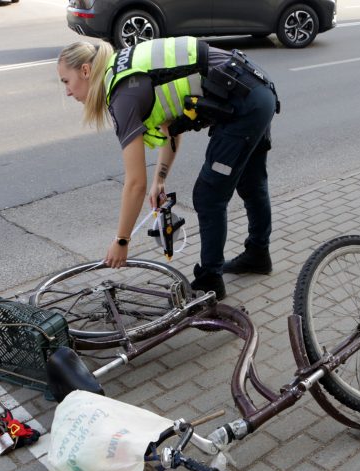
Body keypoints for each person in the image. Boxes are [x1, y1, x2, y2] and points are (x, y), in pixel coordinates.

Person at [57, 37, 279, 299]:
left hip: (246, 103)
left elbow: (134, 183)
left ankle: (210, 281)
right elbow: (171, 129)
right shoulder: (124, 70)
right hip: (254, 88)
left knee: (208, 195)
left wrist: (122, 241)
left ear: (85, 71)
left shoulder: (121, 94)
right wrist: (160, 179)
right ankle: (257, 255)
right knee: (251, 182)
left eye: (66, 81)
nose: (68, 91)